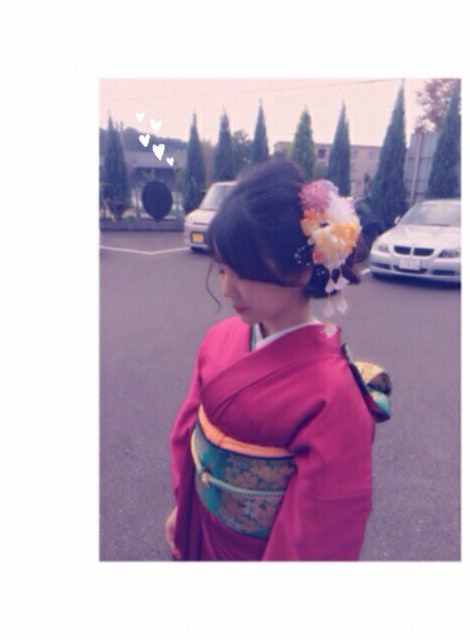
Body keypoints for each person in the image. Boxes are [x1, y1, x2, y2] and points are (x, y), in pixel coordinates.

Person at [165, 159, 388, 560]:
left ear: (300, 271)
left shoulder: (333, 394)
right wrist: (184, 505)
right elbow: (186, 434)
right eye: (221, 270)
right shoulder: (218, 337)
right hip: (200, 524)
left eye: (243, 273)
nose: (227, 288)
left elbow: (319, 531)